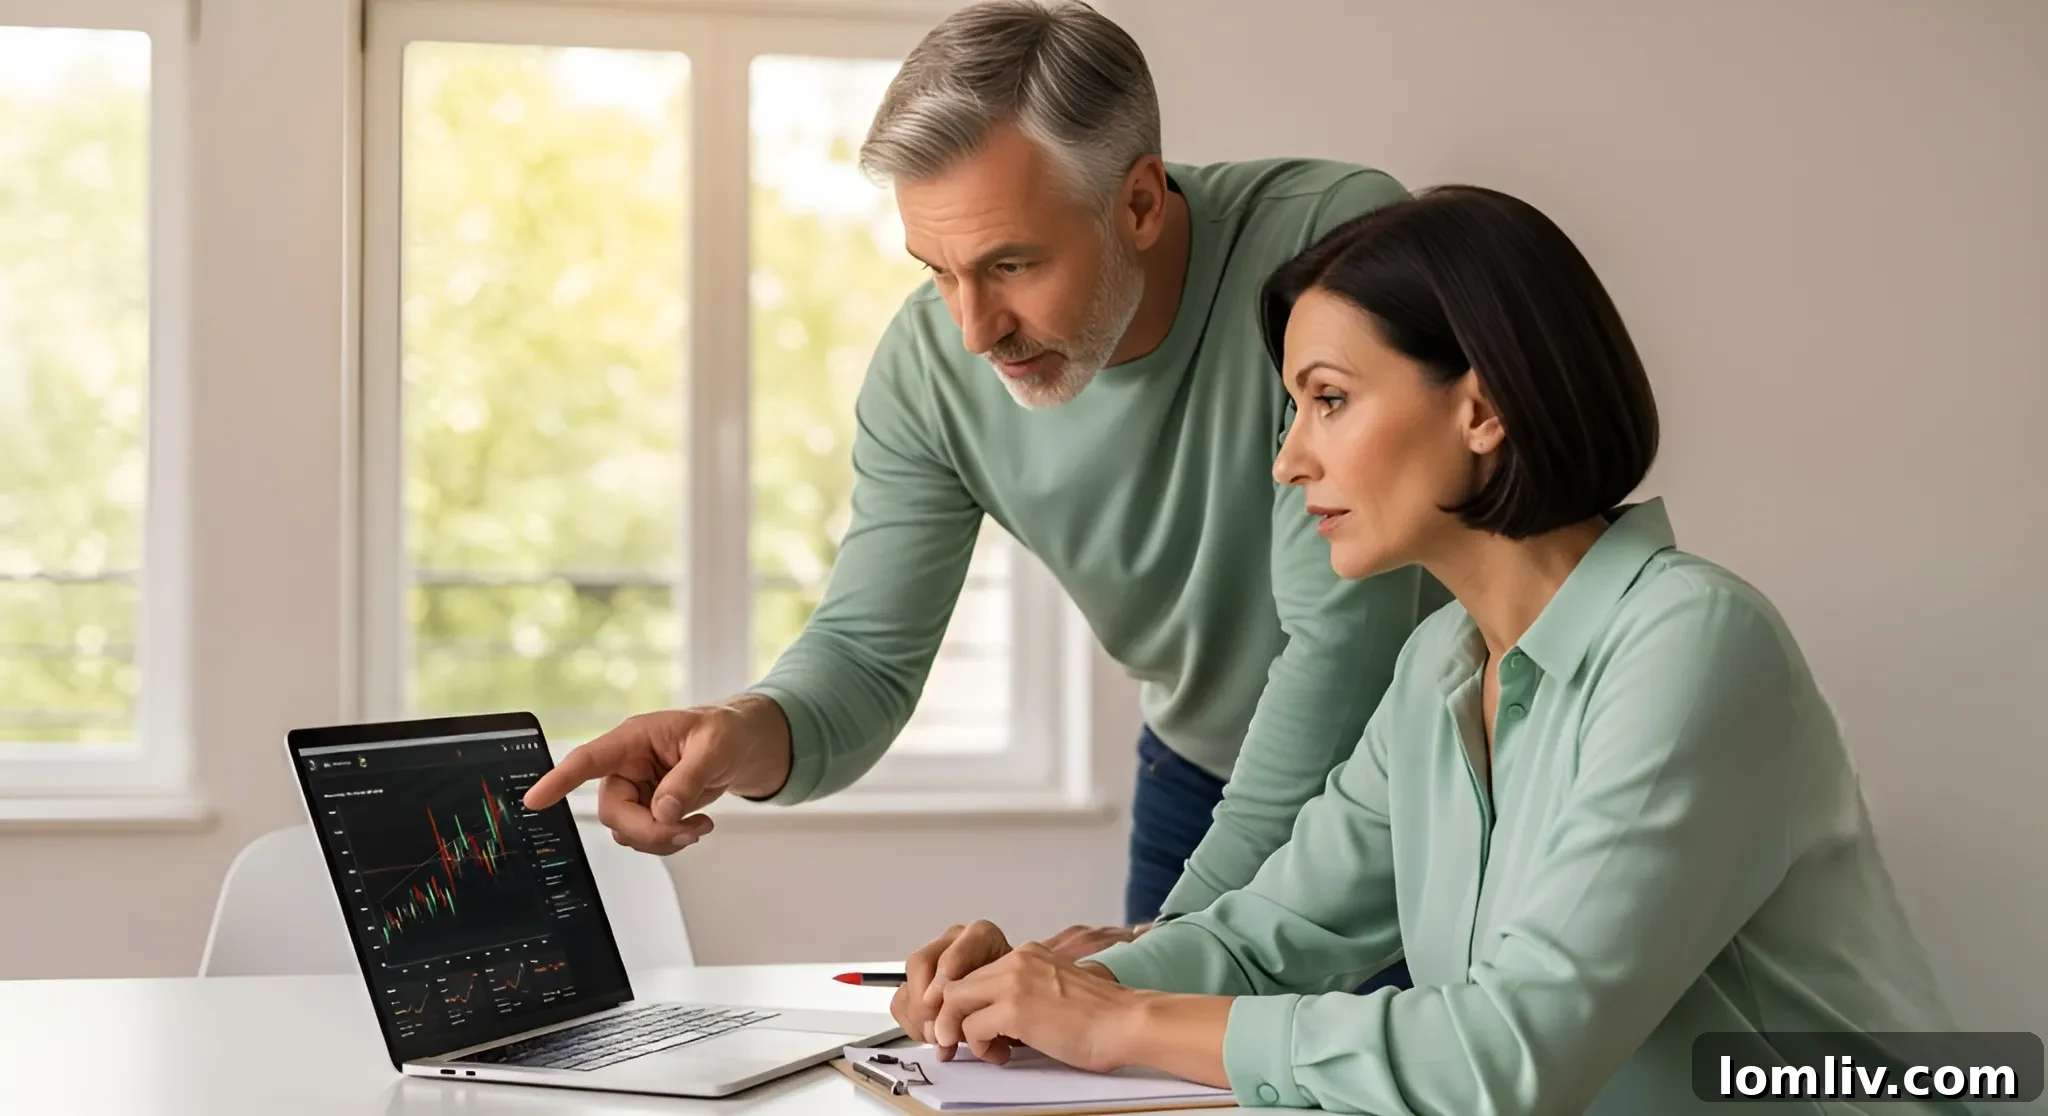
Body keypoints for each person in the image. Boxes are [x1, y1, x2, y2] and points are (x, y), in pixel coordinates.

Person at [884, 185, 1963, 1114]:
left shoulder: (1689, 646)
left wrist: (1119, 1023)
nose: (1289, 461)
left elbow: (1510, 1056)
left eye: (1329, 401)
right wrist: (1024, 992)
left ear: (1482, 409)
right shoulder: (1441, 668)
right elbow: (1269, 933)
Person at [523, 0, 1437, 987]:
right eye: (936, 271)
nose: (973, 330)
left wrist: (1170, 946)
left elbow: (1341, 644)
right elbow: (867, 659)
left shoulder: (1325, 251)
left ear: (1136, 202)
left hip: (1424, 768)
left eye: (1010, 265)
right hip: (1202, 771)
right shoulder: (927, 370)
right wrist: (739, 733)